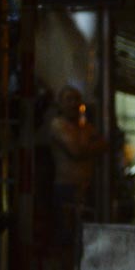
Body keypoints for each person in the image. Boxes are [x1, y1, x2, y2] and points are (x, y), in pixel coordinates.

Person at [48, 85, 107, 245]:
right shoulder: (58, 125)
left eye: (76, 99)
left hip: (86, 189)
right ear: (60, 103)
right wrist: (89, 147)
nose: (73, 103)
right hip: (65, 188)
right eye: (69, 99)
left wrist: (86, 147)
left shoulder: (86, 127)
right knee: (66, 239)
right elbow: (75, 151)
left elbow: (103, 145)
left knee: (88, 241)